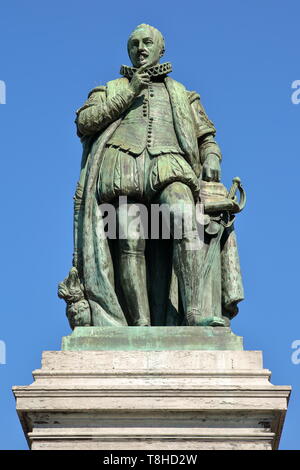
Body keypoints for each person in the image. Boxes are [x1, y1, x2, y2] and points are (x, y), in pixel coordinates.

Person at [58, 24, 244, 328]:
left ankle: (194, 313)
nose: (140, 48)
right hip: (122, 166)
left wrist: (211, 157)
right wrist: (130, 92)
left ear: (161, 49)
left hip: (169, 163)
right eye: (134, 44)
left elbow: (206, 138)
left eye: (147, 43)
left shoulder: (184, 94)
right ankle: (140, 324)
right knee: (129, 239)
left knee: (185, 219)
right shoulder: (109, 89)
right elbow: (85, 122)